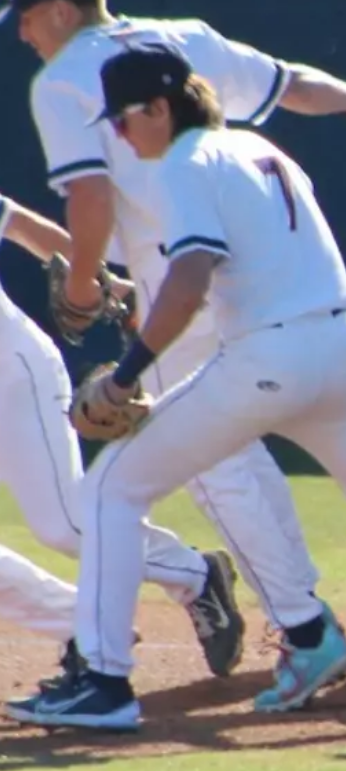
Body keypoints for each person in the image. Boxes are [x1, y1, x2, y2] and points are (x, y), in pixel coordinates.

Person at [6, 48, 346, 731]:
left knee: (111, 488)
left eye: (124, 119)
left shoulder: (187, 162)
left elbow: (191, 278)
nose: (119, 135)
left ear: (161, 108)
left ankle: (105, 685)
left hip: (266, 359)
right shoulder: (262, 149)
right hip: (339, 352)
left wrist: (128, 374)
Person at [12, 0, 346, 682]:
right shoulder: (183, 38)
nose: (23, 34)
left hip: (176, 280)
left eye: (26, 18)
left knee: (216, 462)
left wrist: (85, 284)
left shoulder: (60, 81)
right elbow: (290, 84)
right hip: (250, 274)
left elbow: (89, 194)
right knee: (263, 450)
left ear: (59, 10)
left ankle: (304, 625)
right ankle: (317, 612)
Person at [0, 194, 239, 693]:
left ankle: (195, 573)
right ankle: (74, 623)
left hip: (13, 378)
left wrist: (101, 280)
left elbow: (19, 223)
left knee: (65, 525)